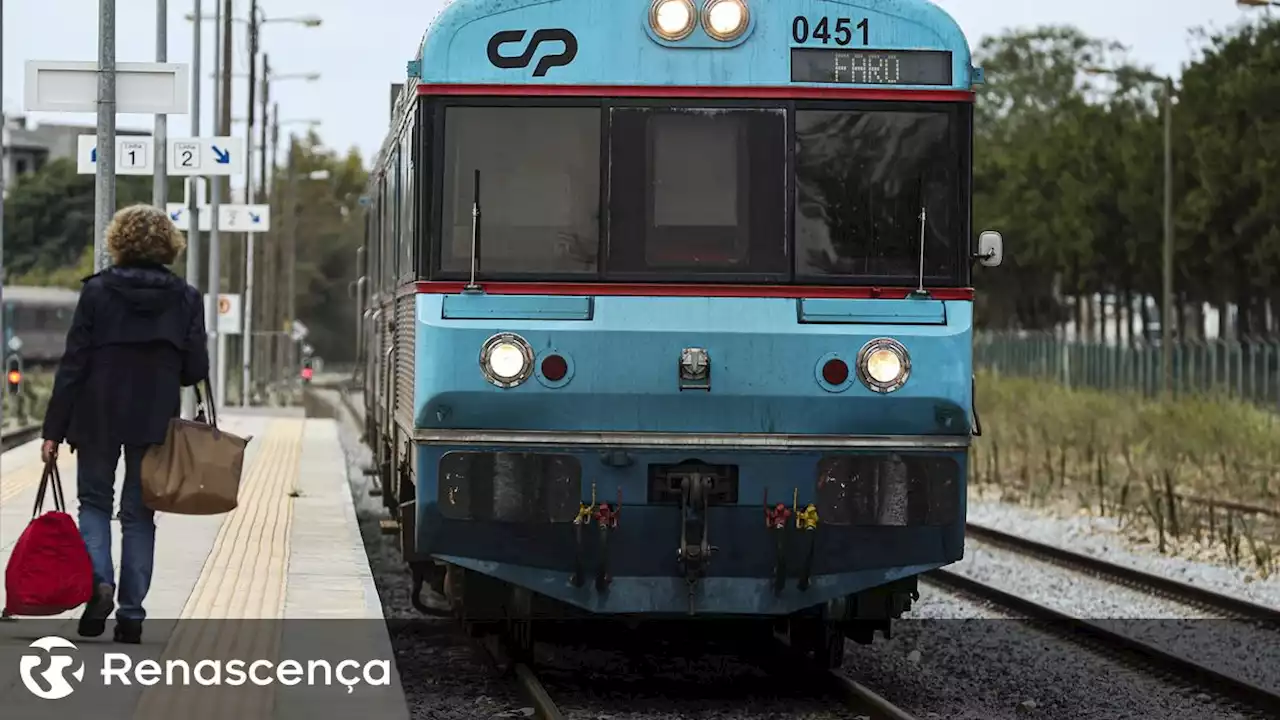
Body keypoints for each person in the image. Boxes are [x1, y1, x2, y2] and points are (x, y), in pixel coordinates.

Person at [40, 204, 209, 644]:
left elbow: (73, 364)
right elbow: (195, 369)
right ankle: (131, 616)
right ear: (168, 244)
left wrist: (52, 431)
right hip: (153, 418)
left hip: (95, 415)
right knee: (139, 516)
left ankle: (100, 583)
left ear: (117, 240)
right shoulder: (186, 298)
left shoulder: (96, 293)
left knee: (94, 504)